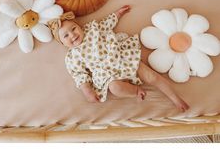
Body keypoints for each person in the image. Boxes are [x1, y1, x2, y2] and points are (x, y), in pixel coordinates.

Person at [49, 6, 189, 112]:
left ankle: (176, 99)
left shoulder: (93, 29)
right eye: (65, 36)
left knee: (152, 77)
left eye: (73, 29)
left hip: (122, 58)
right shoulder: (72, 57)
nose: (72, 35)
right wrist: (88, 92)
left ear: (79, 26)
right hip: (107, 75)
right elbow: (80, 76)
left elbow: (107, 23)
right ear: (62, 43)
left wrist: (118, 13)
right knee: (115, 88)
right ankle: (136, 91)